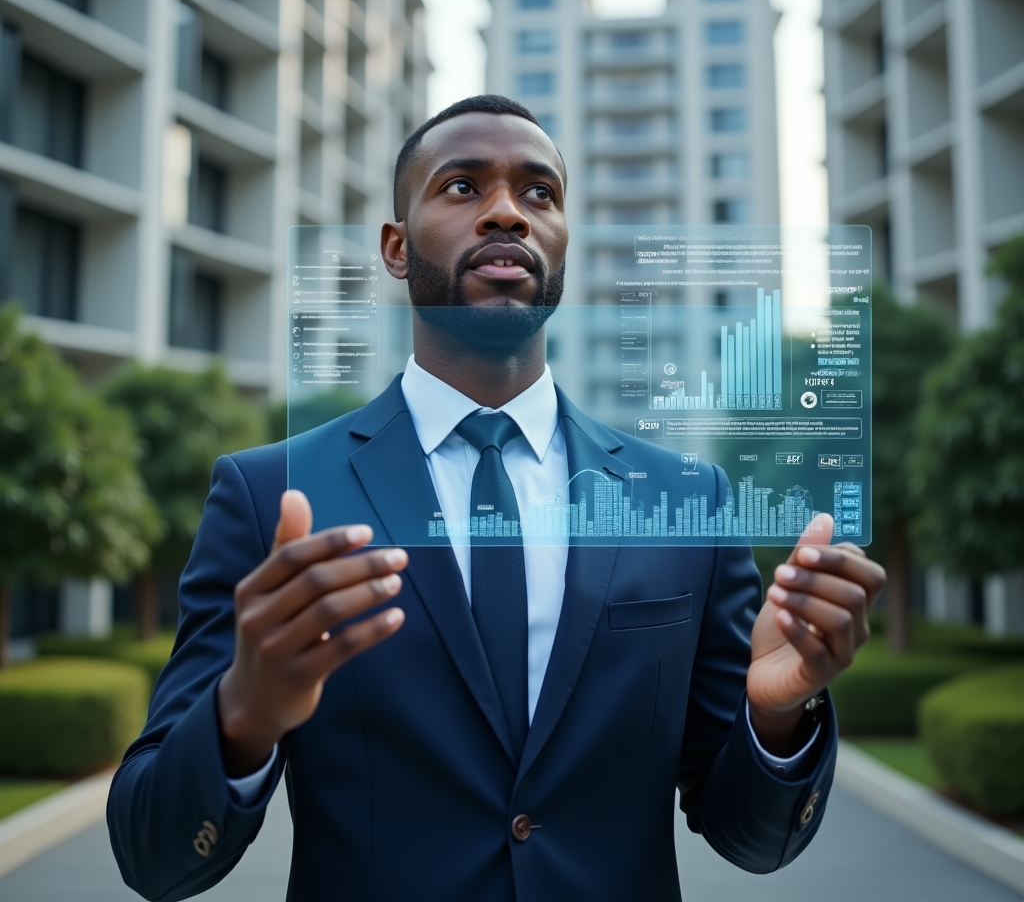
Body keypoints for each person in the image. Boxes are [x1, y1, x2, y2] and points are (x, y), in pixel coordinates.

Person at [107, 95, 885, 902]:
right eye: (462, 187)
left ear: (563, 241)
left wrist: (775, 718)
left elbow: (749, 839)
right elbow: (154, 856)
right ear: (396, 248)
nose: (507, 212)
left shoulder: (686, 500)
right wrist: (244, 711)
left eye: (538, 193)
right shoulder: (271, 495)